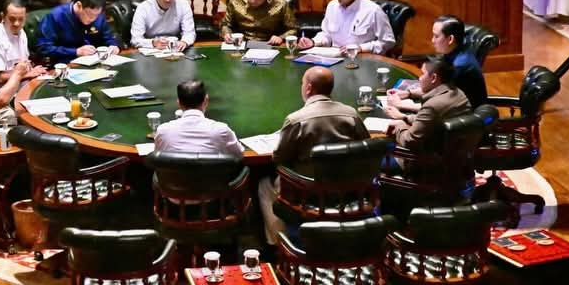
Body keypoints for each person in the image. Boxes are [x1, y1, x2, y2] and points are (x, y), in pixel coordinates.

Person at [259, 66, 370, 246]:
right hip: (347, 187)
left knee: (264, 184)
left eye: (302, 83)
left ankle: (281, 244)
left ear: (309, 88)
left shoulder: (296, 119)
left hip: (307, 191)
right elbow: (365, 146)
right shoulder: (351, 114)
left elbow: (279, 158)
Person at [383, 55, 472, 170]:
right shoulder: (459, 94)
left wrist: (399, 126)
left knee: (367, 160)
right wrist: (405, 117)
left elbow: (410, 141)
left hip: (426, 164)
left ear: (434, 78)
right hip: (455, 160)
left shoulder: (432, 106)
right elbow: (433, 122)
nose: (419, 78)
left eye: (422, 74)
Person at [388, 15, 487, 109]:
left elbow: (441, 105)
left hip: (466, 115)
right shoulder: (453, 52)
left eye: (436, 36)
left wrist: (401, 105)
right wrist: (408, 93)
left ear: (450, 39)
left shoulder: (459, 65)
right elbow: (435, 91)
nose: (432, 40)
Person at [297, 0, 396, 55]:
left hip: (360, 59)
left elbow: (388, 42)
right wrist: (313, 42)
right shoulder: (332, 6)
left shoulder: (373, 11)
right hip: (334, 59)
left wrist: (361, 48)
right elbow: (327, 35)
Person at [154, 80, 243, 157]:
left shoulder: (163, 131)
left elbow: (158, 156)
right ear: (206, 100)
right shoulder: (221, 130)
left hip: (173, 173)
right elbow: (239, 155)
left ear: (179, 104)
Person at [36, 0, 119, 64]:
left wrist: (114, 46)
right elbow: (44, 48)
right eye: (90, 15)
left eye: (96, 15)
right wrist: (76, 51)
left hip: (96, 62)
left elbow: (109, 37)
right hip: (67, 63)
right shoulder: (55, 16)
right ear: (79, 5)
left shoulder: (98, 16)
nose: (93, 19)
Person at [0, 0, 48, 88]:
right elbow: (0, 78)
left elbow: (23, 62)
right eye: (12, 19)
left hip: (21, 81)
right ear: (3, 16)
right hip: (2, 89)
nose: (17, 24)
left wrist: (33, 70)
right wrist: (29, 74)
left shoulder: (21, 32)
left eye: (21, 19)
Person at [221, 0, 297, 45]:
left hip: (269, 43)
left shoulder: (280, 4)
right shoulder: (235, 1)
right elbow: (226, 24)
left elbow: (293, 29)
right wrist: (227, 34)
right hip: (242, 43)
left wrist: (281, 37)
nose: (252, 1)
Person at [130, 0, 196, 50]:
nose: (168, 0)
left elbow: (189, 33)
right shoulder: (143, 8)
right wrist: (153, 43)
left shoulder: (183, 4)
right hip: (151, 49)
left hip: (175, 48)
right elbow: (135, 39)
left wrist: (184, 42)